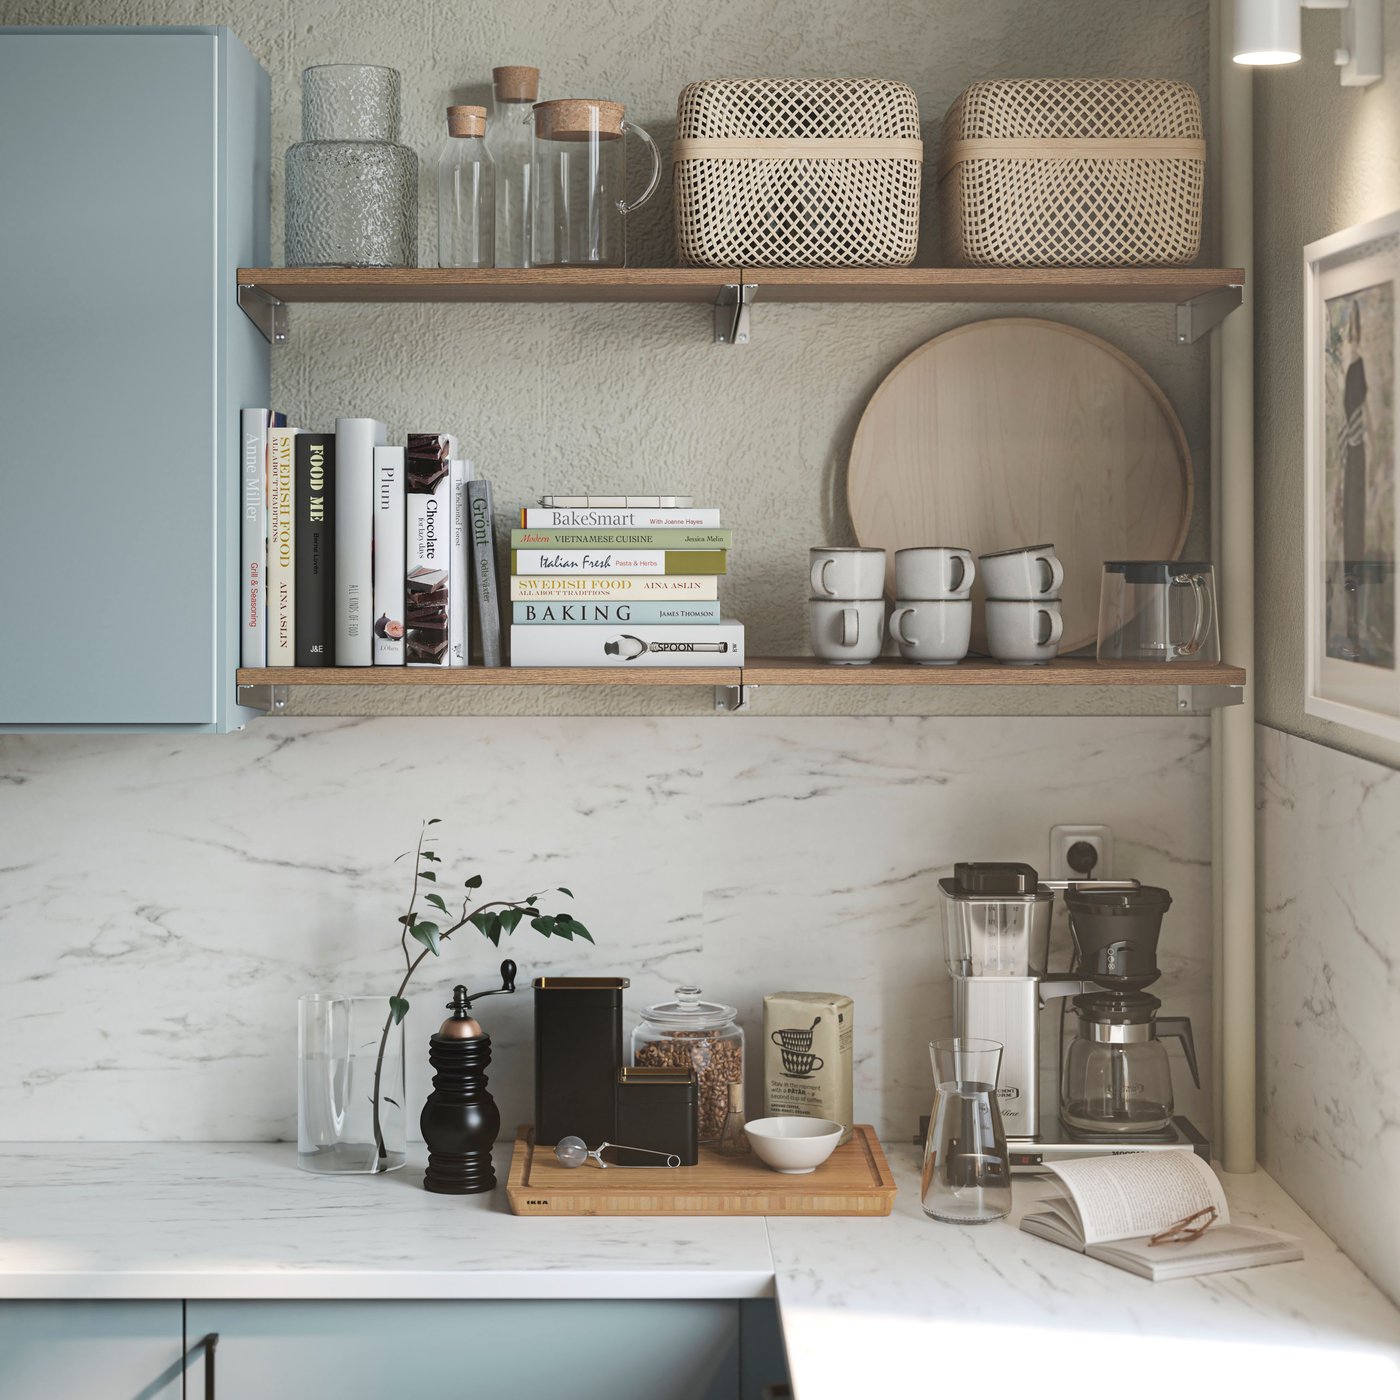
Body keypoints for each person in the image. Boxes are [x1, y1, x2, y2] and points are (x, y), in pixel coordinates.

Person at [1339, 297, 1369, 659]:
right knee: (1350, 537)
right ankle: (1351, 630)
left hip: (1358, 460)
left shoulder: (1358, 369)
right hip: (1351, 460)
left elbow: (1362, 419)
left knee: (1356, 537)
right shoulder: (1349, 369)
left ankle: (1356, 631)